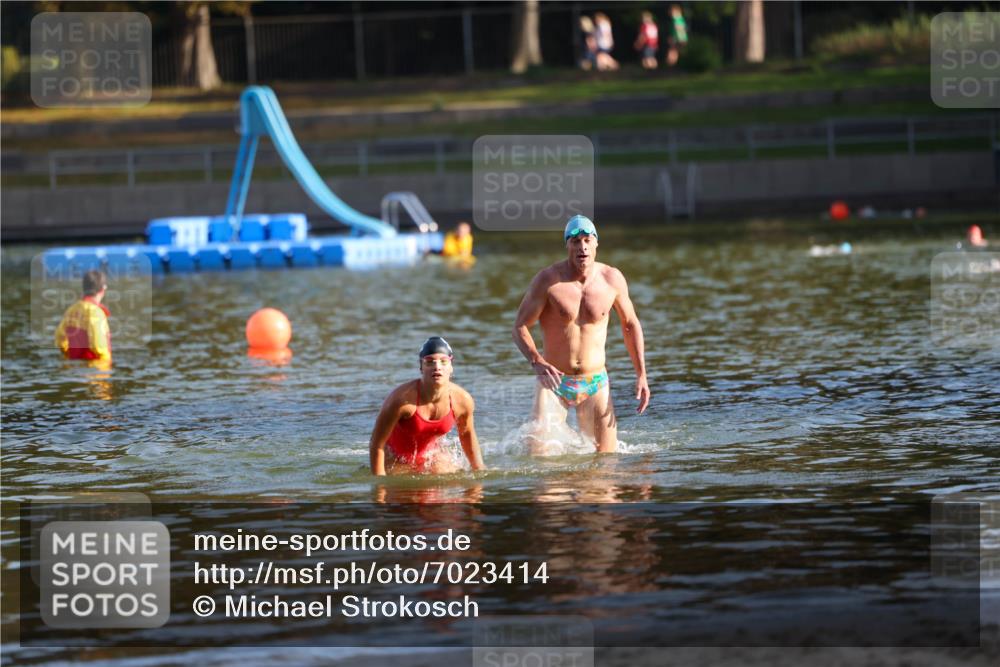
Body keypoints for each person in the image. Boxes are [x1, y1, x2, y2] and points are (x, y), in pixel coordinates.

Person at [512, 216, 649, 454]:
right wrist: (537, 361)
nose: (582, 247)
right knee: (540, 460)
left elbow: (630, 325)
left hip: (595, 382)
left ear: (596, 243)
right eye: (575, 241)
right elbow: (520, 326)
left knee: (605, 463)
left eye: (587, 240)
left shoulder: (611, 279)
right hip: (554, 382)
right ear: (567, 246)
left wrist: (641, 374)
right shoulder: (548, 280)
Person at [369, 337, 485, 475]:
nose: (437, 367)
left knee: (449, 478)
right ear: (421, 367)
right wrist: (380, 487)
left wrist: (479, 470)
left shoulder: (462, 400)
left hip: (432, 457)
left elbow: (467, 434)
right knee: (406, 491)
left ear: (451, 367)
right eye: (430, 362)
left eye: (443, 361)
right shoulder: (401, 400)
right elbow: (376, 444)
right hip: (396, 458)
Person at [55, 269, 111, 364]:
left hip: (74, 368)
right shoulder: (96, 312)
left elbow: (59, 339)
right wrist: (107, 363)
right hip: (95, 370)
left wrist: (69, 356)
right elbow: (98, 346)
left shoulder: (71, 310)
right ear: (103, 289)